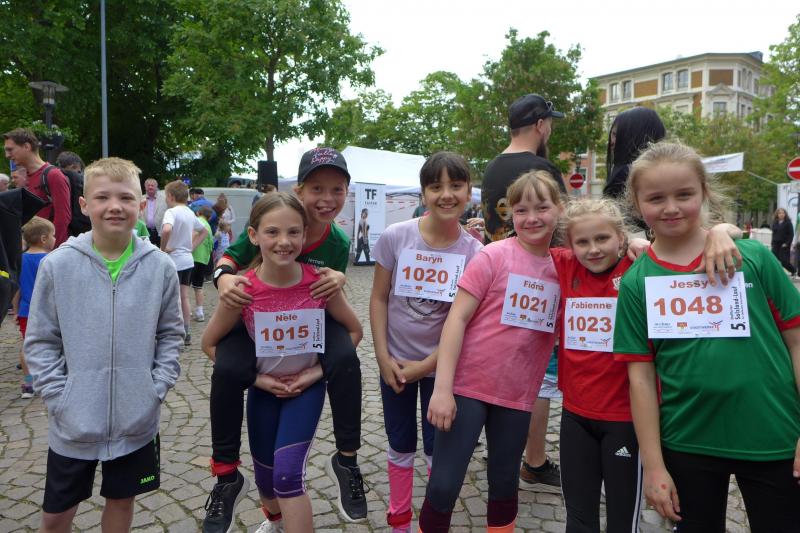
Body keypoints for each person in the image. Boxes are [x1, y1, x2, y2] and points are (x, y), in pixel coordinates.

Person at [614, 141, 800, 531]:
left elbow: (797, 341)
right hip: (687, 442)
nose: (671, 207)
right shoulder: (636, 282)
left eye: (684, 195)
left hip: (774, 436)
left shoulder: (752, 258)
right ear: (637, 203)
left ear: (704, 193)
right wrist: (654, 466)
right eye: (656, 198)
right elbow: (640, 377)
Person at [551, 197, 741, 531]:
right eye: (582, 242)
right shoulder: (567, 266)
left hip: (626, 419)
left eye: (602, 238)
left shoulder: (638, 267)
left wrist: (721, 231)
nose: (593, 249)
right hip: (575, 414)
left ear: (620, 237)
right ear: (570, 244)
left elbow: (705, 240)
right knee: (578, 520)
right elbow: (526, 244)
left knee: (623, 522)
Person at [205, 147, 367, 530]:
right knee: (228, 369)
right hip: (256, 329)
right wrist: (224, 280)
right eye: (317, 189)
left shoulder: (337, 241)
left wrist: (316, 370)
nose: (326, 199)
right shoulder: (266, 231)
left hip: (308, 335)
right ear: (300, 190)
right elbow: (228, 263)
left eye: (337, 190)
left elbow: (339, 308)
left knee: (344, 359)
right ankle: (229, 478)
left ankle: (347, 459)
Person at [24, 157, 183, 533]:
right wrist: (59, 398)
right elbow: (42, 339)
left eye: (125, 198)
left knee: (121, 501)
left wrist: (154, 390)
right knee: (55, 515)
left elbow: (171, 334)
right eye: (102, 197)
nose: (115, 206)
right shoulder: (58, 265)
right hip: (73, 422)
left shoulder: (160, 267)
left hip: (136, 420)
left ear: (140, 205)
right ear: (84, 205)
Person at [420, 170, 563, 532]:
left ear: (559, 209)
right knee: (443, 484)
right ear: (511, 213)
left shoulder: (564, 267)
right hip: (468, 388)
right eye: (522, 210)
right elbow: (456, 319)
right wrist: (442, 389)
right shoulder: (494, 256)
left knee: (504, 484)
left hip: (517, 395)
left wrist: (635, 242)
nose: (532, 218)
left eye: (542, 208)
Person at [370, 152, 483, 533]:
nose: (446, 194)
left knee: (438, 449)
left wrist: (427, 366)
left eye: (456, 185)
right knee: (400, 444)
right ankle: (399, 521)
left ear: (469, 191)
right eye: (436, 186)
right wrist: (382, 356)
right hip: (395, 365)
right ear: (423, 193)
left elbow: (465, 324)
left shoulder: (475, 253)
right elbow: (379, 298)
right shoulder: (396, 236)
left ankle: (433, 523)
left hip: (442, 371)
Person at [482, 94, 566, 244]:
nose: (550, 130)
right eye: (549, 124)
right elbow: (564, 223)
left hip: (494, 255)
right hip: (534, 257)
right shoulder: (543, 169)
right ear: (540, 125)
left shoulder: (490, 167)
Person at [11, 216, 55, 398]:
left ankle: (28, 384)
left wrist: (15, 310)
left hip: (25, 311)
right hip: (47, 312)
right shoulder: (50, 259)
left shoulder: (20, 260)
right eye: (53, 235)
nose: (55, 239)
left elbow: (17, 289)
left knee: (26, 347)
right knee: (52, 345)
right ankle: (50, 378)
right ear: (44, 238)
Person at [3, 128, 71, 246]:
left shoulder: (53, 175)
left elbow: (63, 218)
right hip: (33, 249)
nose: (7, 155)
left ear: (27, 146)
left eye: (10, 150)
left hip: (50, 251)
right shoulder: (25, 178)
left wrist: (52, 251)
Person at [161, 180, 209, 345]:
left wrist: (163, 248)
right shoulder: (190, 212)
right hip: (187, 260)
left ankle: (173, 332)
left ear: (170, 196)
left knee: (172, 299)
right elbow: (204, 231)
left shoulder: (171, 212)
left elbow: (166, 229)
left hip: (173, 260)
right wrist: (191, 247)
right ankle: (186, 332)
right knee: (184, 297)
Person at [602, 106, 666, 201]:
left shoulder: (627, 173)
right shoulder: (667, 168)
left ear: (634, 136)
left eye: (617, 135)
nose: (612, 141)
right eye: (613, 134)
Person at [191, 206, 214, 322]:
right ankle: (200, 312)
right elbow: (211, 245)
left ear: (198, 213)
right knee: (198, 286)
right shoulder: (208, 226)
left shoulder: (197, 221)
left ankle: (184, 311)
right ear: (209, 217)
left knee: (184, 287)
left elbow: (194, 234)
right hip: (203, 260)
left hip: (192, 258)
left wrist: (189, 246)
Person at [141, 178, 167, 247]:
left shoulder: (164, 199)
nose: (150, 187)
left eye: (152, 185)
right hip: (146, 231)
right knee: (146, 250)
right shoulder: (140, 199)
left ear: (156, 187)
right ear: (145, 187)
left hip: (160, 230)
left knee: (162, 251)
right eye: (148, 185)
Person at [771, 207, 795, 275]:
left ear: (785, 214)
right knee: (773, 259)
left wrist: (787, 243)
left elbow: (791, 234)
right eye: (779, 213)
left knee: (784, 261)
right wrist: (772, 243)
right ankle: (776, 273)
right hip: (775, 244)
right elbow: (774, 233)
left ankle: (793, 271)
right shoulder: (775, 223)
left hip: (784, 245)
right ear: (777, 214)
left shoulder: (788, 223)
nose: (781, 214)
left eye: (782, 213)